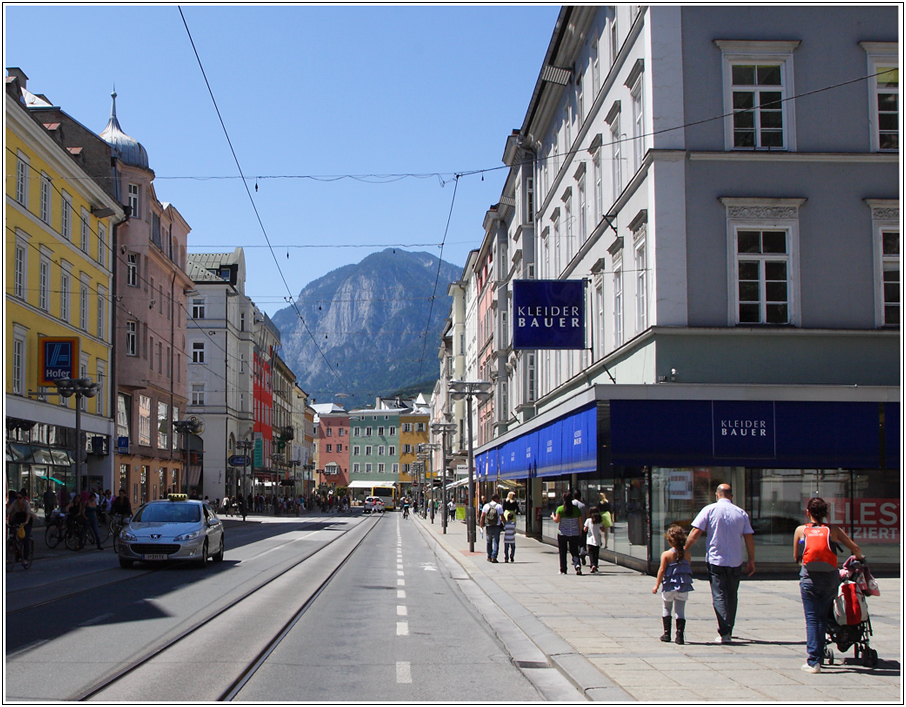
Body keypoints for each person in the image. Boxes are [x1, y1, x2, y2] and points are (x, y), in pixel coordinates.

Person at [794, 497, 863, 673]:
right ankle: (823, 650)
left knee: (812, 618)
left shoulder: (801, 530)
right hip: (830, 578)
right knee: (823, 616)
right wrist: (860, 558)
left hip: (809, 578)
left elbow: (796, 557)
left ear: (808, 512)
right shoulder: (833, 530)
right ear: (825, 514)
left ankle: (814, 661)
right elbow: (855, 548)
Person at [684, 483, 755, 643]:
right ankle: (728, 628)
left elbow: (696, 531)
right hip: (735, 560)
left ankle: (724, 631)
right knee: (732, 595)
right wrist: (751, 559)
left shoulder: (709, 510)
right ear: (731, 496)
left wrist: (684, 549)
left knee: (719, 594)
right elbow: (749, 538)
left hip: (716, 560)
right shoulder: (740, 513)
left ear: (717, 495)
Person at [653, 525, 695, 644]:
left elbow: (662, 570)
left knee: (667, 607)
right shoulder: (687, 554)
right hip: (683, 585)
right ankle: (680, 635)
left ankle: (667, 634)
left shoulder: (666, 554)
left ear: (670, 540)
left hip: (669, 586)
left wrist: (656, 585)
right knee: (680, 610)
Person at [552, 491, 583, 575]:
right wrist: (580, 531)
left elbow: (557, 520)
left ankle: (563, 569)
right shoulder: (576, 509)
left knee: (563, 552)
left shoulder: (560, 509)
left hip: (563, 533)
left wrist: (553, 516)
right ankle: (577, 565)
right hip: (574, 533)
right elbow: (580, 522)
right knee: (574, 551)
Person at [6, 493, 37, 561]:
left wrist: (26, 522)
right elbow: (8, 511)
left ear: (23, 498)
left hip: (27, 520)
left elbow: (28, 513)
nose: (18, 499)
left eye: (20, 498)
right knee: (13, 534)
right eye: (16, 497)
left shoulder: (26, 503)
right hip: (18, 519)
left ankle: (25, 558)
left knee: (25, 538)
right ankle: (16, 552)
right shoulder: (15, 503)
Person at [480, 494, 504, 563]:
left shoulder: (486, 506)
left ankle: (489, 556)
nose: (499, 500)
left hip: (488, 526)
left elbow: (482, 516)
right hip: (497, 526)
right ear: (496, 499)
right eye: (498, 499)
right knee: (496, 541)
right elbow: (502, 516)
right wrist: (505, 525)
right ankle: (494, 557)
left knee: (489, 541)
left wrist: (481, 525)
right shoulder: (499, 506)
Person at [584, 508, 603, 573]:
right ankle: (595, 564)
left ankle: (592, 565)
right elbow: (602, 529)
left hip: (590, 540)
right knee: (596, 554)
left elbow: (585, 529)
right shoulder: (599, 521)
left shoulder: (588, 520)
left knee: (591, 553)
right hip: (597, 540)